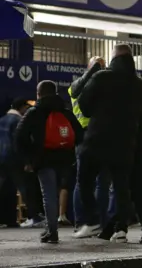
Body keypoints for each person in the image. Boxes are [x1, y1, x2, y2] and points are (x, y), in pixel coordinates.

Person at [73, 44, 142, 243]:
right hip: (125, 144)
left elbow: (84, 106)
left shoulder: (101, 77)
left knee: (85, 180)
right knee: (121, 187)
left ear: (114, 58)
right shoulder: (141, 85)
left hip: (97, 140)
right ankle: (120, 229)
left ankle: (92, 220)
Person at [15, 81, 83, 243]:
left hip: (43, 159)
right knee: (61, 191)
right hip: (65, 160)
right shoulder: (66, 111)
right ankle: (63, 221)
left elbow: (19, 136)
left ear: (38, 94)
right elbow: (79, 135)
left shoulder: (34, 112)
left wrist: (29, 157)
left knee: (48, 194)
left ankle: (52, 231)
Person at [68, 56, 111, 233]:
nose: (100, 69)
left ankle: (91, 223)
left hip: (89, 138)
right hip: (89, 136)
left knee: (91, 182)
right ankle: (88, 222)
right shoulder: (81, 86)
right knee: (92, 182)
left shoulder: (78, 86)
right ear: (89, 67)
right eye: (97, 66)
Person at [0, 98, 43, 228]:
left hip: (1, 160)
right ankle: (34, 216)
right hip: (14, 159)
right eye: (26, 107)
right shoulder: (19, 121)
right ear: (21, 107)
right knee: (25, 188)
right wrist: (27, 161)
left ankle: (8, 219)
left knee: (5, 189)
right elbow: (21, 143)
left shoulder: (1, 120)